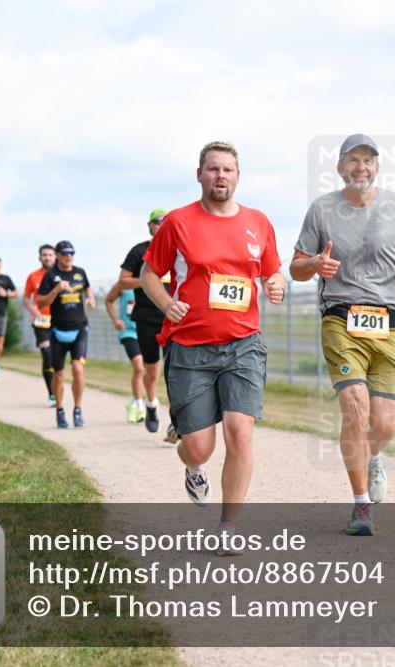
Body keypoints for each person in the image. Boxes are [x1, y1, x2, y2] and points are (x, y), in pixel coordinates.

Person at [140, 141, 285, 552]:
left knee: (240, 433)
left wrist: (276, 285)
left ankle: (228, 527)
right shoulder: (179, 222)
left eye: (228, 170)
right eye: (213, 169)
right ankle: (193, 465)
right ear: (200, 174)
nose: (221, 176)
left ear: (238, 176)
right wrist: (167, 303)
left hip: (244, 344)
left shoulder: (258, 222)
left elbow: (273, 275)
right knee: (198, 446)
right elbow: (151, 274)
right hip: (190, 348)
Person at [290, 133, 395, 537]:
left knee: (385, 424)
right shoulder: (321, 210)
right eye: (353, 160)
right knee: (355, 406)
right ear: (339, 167)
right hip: (341, 316)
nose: (360, 167)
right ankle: (361, 505)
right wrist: (315, 263)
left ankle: (372, 457)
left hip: (389, 322)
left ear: (377, 167)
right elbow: (295, 267)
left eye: (368, 160)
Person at [118, 208, 175, 437]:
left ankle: (176, 419)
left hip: (174, 318)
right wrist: (148, 280)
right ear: (149, 226)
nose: (161, 225)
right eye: (157, 222)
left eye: (166, 222)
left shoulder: (178, 250)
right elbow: (123, 282)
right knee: (151, 370)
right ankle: (151, 405)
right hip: (146, 318)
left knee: (175, 371)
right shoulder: (139, 251)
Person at [37, 240, 94, 428]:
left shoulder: (80, 272)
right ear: (58, 255)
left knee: (78, 368)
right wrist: (56, 290)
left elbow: (86, 287)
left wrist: (90, 298)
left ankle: (78, 410)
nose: (69, 256)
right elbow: (41, 303)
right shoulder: (50, 275)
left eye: (71, 252)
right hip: (57, 331)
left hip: (79, 329)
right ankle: (60, 411)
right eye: (65, 253)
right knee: (59, 375)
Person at [23, 244, 58, 406]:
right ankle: (52, 394)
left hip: (59, 319)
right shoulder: (33, 276)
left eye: (50, 255)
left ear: (55, 256)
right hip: (41, 320)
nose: (47, 258)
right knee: (46, 352)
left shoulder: (61, 275)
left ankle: (58, 387)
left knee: (57, 356)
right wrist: (34, 310)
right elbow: (26, 298)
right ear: (39, 258)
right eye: (44, 255)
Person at [105, 284, 145, 423]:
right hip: (128, 332)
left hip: (146, 331)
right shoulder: (124, 284)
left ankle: (133, 401)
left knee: (148, 370)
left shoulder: (150, 282)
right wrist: (115, 320)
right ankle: (139, 405)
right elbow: (109, 300)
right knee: (139, 367)